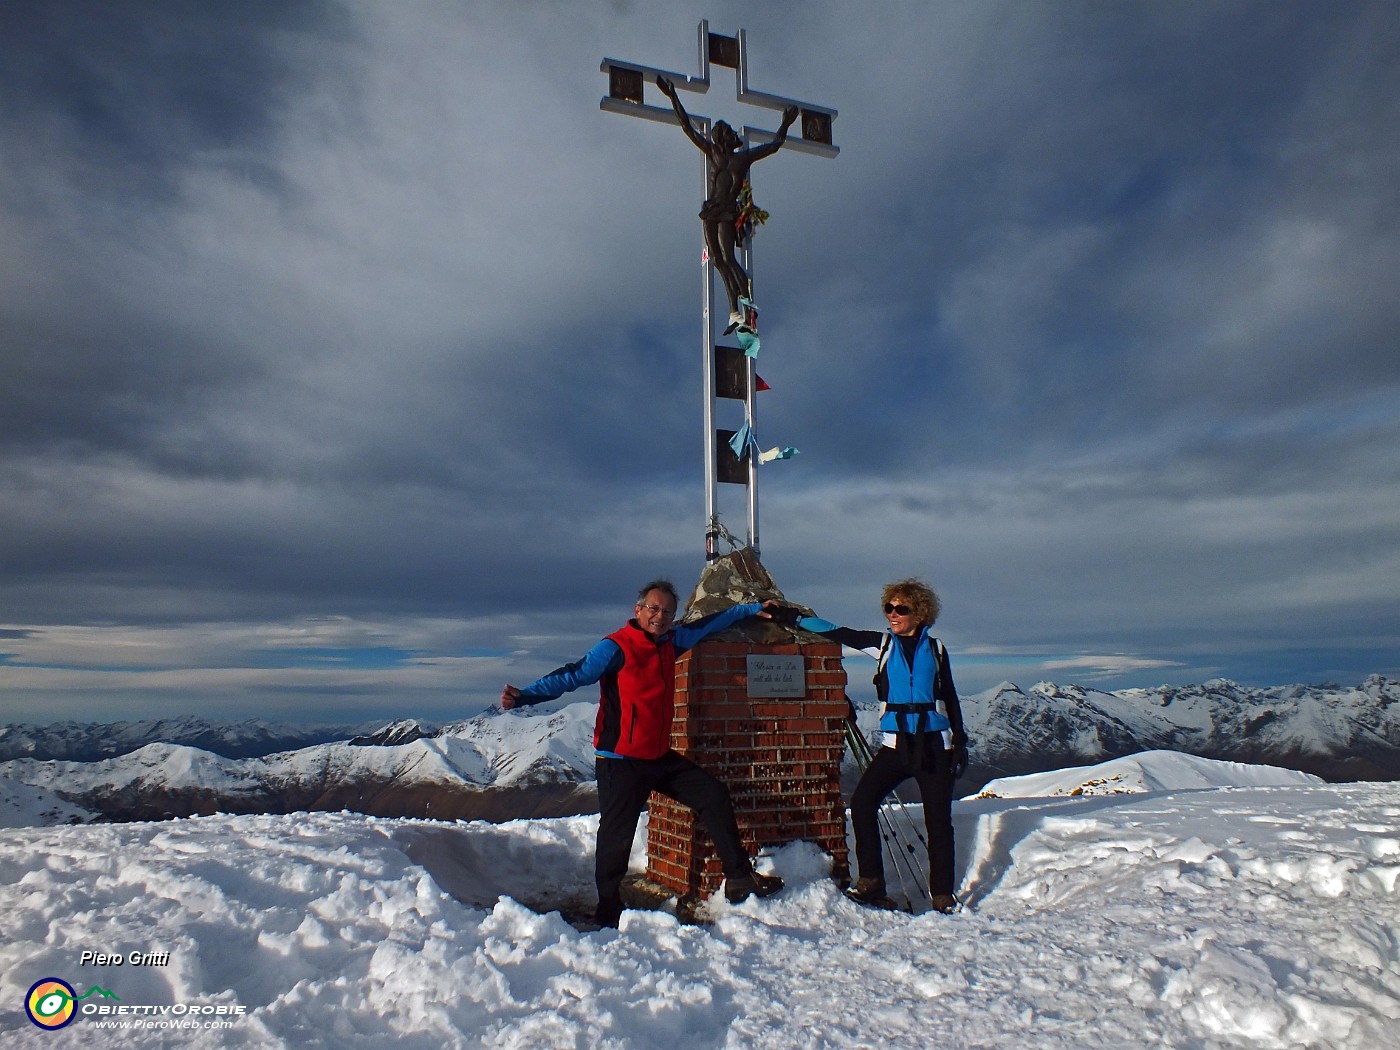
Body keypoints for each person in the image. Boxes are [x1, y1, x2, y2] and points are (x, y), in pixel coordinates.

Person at [501, 579, 785, 927]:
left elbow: (709, 624)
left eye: (667, 611)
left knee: (712, 794)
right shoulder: (616, 647)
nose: (660, 616)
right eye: (653, 608)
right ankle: (607, 913)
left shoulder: (672, 641)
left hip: (658, 758)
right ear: (637, 611)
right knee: (615, 839)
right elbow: (572, 676)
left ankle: (739, 877)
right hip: (619, 762)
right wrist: (524, 696)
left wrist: (751, 609)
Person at [796, 578, 969, 913]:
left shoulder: (937, 649)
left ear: (919, 614)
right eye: (889, 607)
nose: (892, 613)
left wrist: (960, 740)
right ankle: (872, 880)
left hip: (935, 745)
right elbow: (837, 631)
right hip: (896, 745)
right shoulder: (883, 645)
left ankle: (942, 896)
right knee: (862, 802)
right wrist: (793, 617)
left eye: (901, 608)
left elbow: (948, 694)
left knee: (939, 822)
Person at [656, 74, 799, 332]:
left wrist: (785, 123)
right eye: (731, 133)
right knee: (718, 260)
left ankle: (748, 307)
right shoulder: (712, 153)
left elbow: (775, 145)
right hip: (710, 211)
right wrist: (672, 95)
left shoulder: (742, 159)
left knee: (729, 258)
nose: (736, 136)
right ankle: (734, 311)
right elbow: (686, 125)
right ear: (724, 137)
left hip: (727, 212)